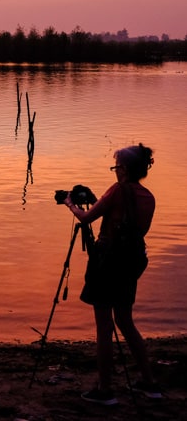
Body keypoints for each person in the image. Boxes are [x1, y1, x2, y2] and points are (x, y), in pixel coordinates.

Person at [63, 143, 161, 405]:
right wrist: (98, 201)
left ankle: (105, 390)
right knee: (125, 322)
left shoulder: (118, 190)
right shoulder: (148, 197)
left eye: (116, 166)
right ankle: (149, 383)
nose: (115, 171)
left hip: (107, 264)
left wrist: (70, 203)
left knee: (104, 327)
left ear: (125, 169)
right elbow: (127, 224)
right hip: (131, 263)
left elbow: (86, 218)